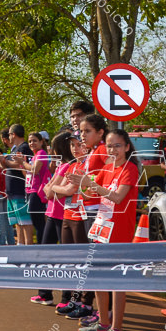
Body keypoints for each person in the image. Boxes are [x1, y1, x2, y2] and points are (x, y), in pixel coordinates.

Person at [74, 130, 140, 331]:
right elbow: (88, 194)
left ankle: (117, 330)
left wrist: (90, 184)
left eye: (118, 146)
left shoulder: (129, 169)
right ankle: (103, 322)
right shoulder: (106, 168)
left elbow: (118, 197)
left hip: (119, 231)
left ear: (127, 147)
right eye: (110, 146)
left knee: (117, 281)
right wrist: (81, 182)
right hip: (101, 228)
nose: (113, 150)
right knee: (97, 276)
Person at [52, 114, 107, 318]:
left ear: (100, 132)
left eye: (86, 133)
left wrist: (80, 183)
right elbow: (50, 191)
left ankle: (88, 304)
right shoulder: (84, 159)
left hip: (91, 212)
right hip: (81, 212)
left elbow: (70, 188)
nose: (79, 143)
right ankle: (78, 300)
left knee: (89, 261)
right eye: (75, 141)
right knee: (76, 261)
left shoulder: (100, 151)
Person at [31, 131, 73, 306]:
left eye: (52, 146)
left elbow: (51, 190)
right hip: (51, 213)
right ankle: (45, 293)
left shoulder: (67, 166)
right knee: (45, 253)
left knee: (64, 258)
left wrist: (52, 187)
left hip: (62, 215)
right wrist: (53, 187)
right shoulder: (61, 166)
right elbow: (47, 190)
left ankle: (67, 297)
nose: (49, 149)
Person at [2, 124, 34, 244]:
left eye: (9, 134)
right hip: (12, 191)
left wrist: (5, 161)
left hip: (20, 190)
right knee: (18, 221)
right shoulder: (15, 148)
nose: (9, 137)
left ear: (13, 134)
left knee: (25, 221)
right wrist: (2, 163)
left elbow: (19, 164)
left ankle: (28, 246)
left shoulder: (24, 147)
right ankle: (20, 245)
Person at [21, 131, 52, 243]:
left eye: (34, 140)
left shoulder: (41, 153)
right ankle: (42, 244)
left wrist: (23, 163)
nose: (31, 143)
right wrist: (21, 163)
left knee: (39, 222)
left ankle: (42, 246)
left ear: (41, 142)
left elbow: (35, 169)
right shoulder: (35, 156)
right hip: (31, 190)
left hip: (37, 192)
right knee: (37, 222)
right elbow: (29, 173)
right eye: (29, 141)